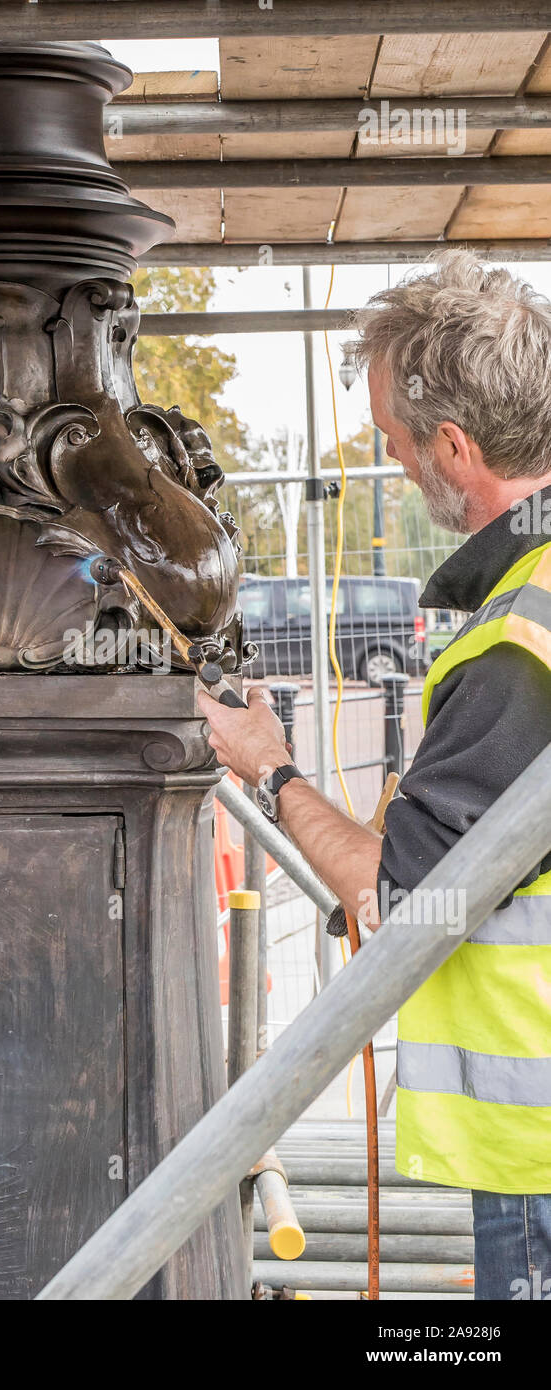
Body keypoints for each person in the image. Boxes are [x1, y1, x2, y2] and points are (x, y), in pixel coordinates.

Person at [200, 251, 551, 1301]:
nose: (392, 461)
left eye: (395, 442)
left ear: (456, 445)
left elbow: (390, 904)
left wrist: (268, 769)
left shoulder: (515, 646)